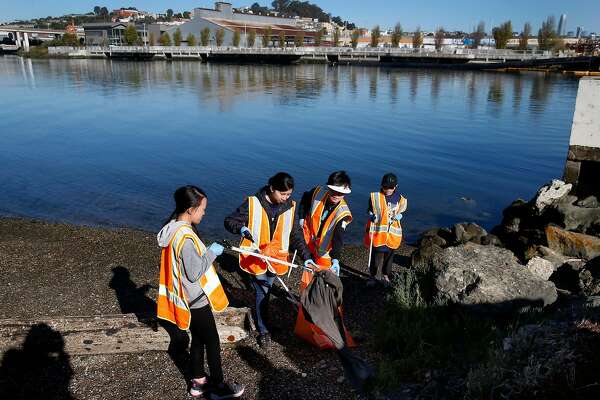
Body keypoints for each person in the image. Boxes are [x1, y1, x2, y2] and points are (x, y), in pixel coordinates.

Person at [157, 185, 244, 399]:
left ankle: (198, 381)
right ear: (190, 209)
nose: (204, 213)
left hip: (185, 296)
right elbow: (195, 272)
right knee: (212, 341)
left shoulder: (172, 227)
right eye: (202, 209)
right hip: (195, 299)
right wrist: (212, 252)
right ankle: (219, 386)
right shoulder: (185, 238)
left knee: (197, 339)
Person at [224, 172, 313, 348]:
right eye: (283, 194)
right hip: (256, 257)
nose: (286, 198)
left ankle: (265, 321)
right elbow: (229, 221)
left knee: (268, 290)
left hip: (277, 257)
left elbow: (295, 234)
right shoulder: (253, 203)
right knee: (262, 292)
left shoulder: (290, 206)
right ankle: (264, 330)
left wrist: (307, 258)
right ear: (272, 188)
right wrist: (240, 228)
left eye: (289, 194)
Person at [295, 171, 355, 349]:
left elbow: (338, 238)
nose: (338, 196)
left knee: (325, 295)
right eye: (335, 192)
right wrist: (300, 217)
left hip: (325, 257)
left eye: (342, 193)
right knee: (307, 289)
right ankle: (307, 327)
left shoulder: (343, 213)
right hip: (310, 247)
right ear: (328, 188)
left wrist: (336, 260)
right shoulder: (318, 192)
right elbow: (304, 200)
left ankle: (329, 333)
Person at [364, 173, 407, 287]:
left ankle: (385, 276)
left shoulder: (400, 198)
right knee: (375, 257)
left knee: (389, 257)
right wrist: (371, 215)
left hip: (393, 234)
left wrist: (400, 215)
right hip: (379, 233)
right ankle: (372, 276)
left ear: (396, 186)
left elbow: (401, 210)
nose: (387, 190)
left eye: (391, 187)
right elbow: (369, 210)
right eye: (385, 187)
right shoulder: (375, 197)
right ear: (381, 185)